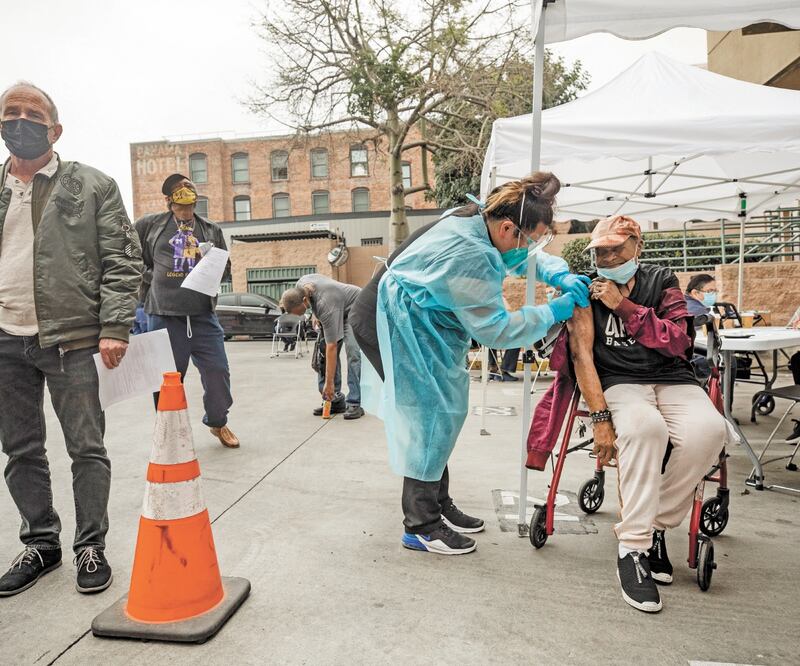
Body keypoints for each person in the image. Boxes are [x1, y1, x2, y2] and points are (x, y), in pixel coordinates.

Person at [350, 173, 588, 555]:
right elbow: (496, 330)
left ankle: (437, 505)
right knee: (428, 417)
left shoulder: (482, 215)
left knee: (444, 413)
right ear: (509, 227)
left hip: (417, 318)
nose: (532, 249)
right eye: (533, 238)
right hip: (389, 320)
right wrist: (551, 311)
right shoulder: (471, 253)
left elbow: (524, 252)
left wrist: (556, 270)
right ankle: (422, 525)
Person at [0, 82, 142, 596]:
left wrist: (114, 326)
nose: (19, 120)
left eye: (31, 113)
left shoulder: (92, 185)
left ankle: (90, 545)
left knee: (86, 447)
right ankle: (42, 542)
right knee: (20, 450)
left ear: (54, 129)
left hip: (74, 338)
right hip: (4, 340)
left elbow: (124, 260)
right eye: (10, 112)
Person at [567, 215, 730, 613]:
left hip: (673, 377)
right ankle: (634, 548)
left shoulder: (663, 283)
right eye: (599, 251)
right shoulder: (586, 289)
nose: (605, 258)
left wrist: (623, 307)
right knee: (645, 429)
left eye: (615, 249)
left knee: (710, 430)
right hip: (621, 380)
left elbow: (677, 341)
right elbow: (581, 355)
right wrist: (602, 421)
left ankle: (655, 524)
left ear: (636, 246)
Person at [135, 174, 239, 448]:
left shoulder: (210, 229)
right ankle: (167, 432)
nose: (187, 213)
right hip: (164, 315)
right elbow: (128, 255)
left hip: (202, 315)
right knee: (167, 380)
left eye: (191, 206)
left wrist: (211, 262)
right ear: (168, 202)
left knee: (218, 371)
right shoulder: (150, 225)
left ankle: (218, 422)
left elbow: (226, 269)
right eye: (181, 207)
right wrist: (150, 277)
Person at [281, 274, 364, 420]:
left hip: (354, 309)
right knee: (323, 355)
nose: (300, 316)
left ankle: (354, 402)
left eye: (300, 312)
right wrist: (315, 314)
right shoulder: (301, 284)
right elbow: (328, 350)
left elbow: (331, 346)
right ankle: (336, 401)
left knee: (353, 353)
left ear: (304, 301)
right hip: (335, 307)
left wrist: (329, 383)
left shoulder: (325, 305)